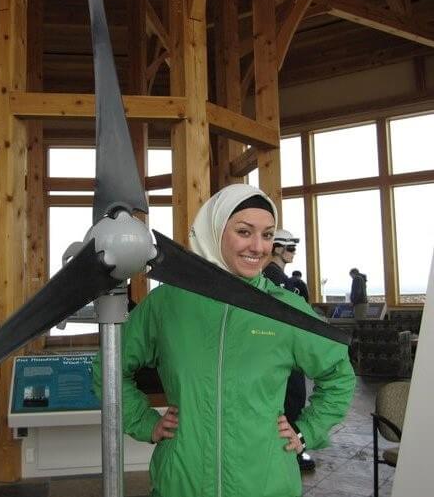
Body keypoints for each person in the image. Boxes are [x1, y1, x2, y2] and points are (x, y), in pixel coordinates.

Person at [93, 184, 355, 497]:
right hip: (182, 482)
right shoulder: (168, 303)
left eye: (268, 235)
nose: (258, 247)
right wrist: (144, 421)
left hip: (265, 483)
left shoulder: (285, 309)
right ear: (214, 231)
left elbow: (339, 375)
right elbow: (107, 368)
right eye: (244, 232)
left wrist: (307, 430)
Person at [263, 229, 315, 472]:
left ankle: (293, 450)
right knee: (289, 404)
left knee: (292, 403)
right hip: (280, 353)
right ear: (277, 248)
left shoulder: (282, 280)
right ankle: (291, 453)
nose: (293, 253)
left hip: (285, 352)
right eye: (290, 248)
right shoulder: (273, 279)